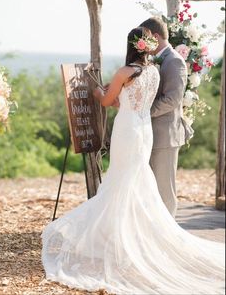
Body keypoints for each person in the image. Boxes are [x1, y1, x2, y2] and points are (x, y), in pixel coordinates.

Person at [41, 27, 225, 295]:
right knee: (134, 180)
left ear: (130, 45)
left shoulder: (125, 72)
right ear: (147, 45)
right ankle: (128, 238)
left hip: (127, 130)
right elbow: (132, 102)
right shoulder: (153, 72)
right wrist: (116, 98)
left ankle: (117, 241)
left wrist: (93, 89)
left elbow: (105, 101)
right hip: (144, 128)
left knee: (120, 179)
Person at [140, 17, 189, 217]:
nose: (141, 44)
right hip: (153, 134)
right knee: (152, 190)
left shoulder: (174, 60)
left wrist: (144, 113)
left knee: (165, 191)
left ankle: (169, 238)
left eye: (144, 37)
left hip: (166, 136)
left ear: (155, 36)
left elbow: (173, 99)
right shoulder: (158, 59)